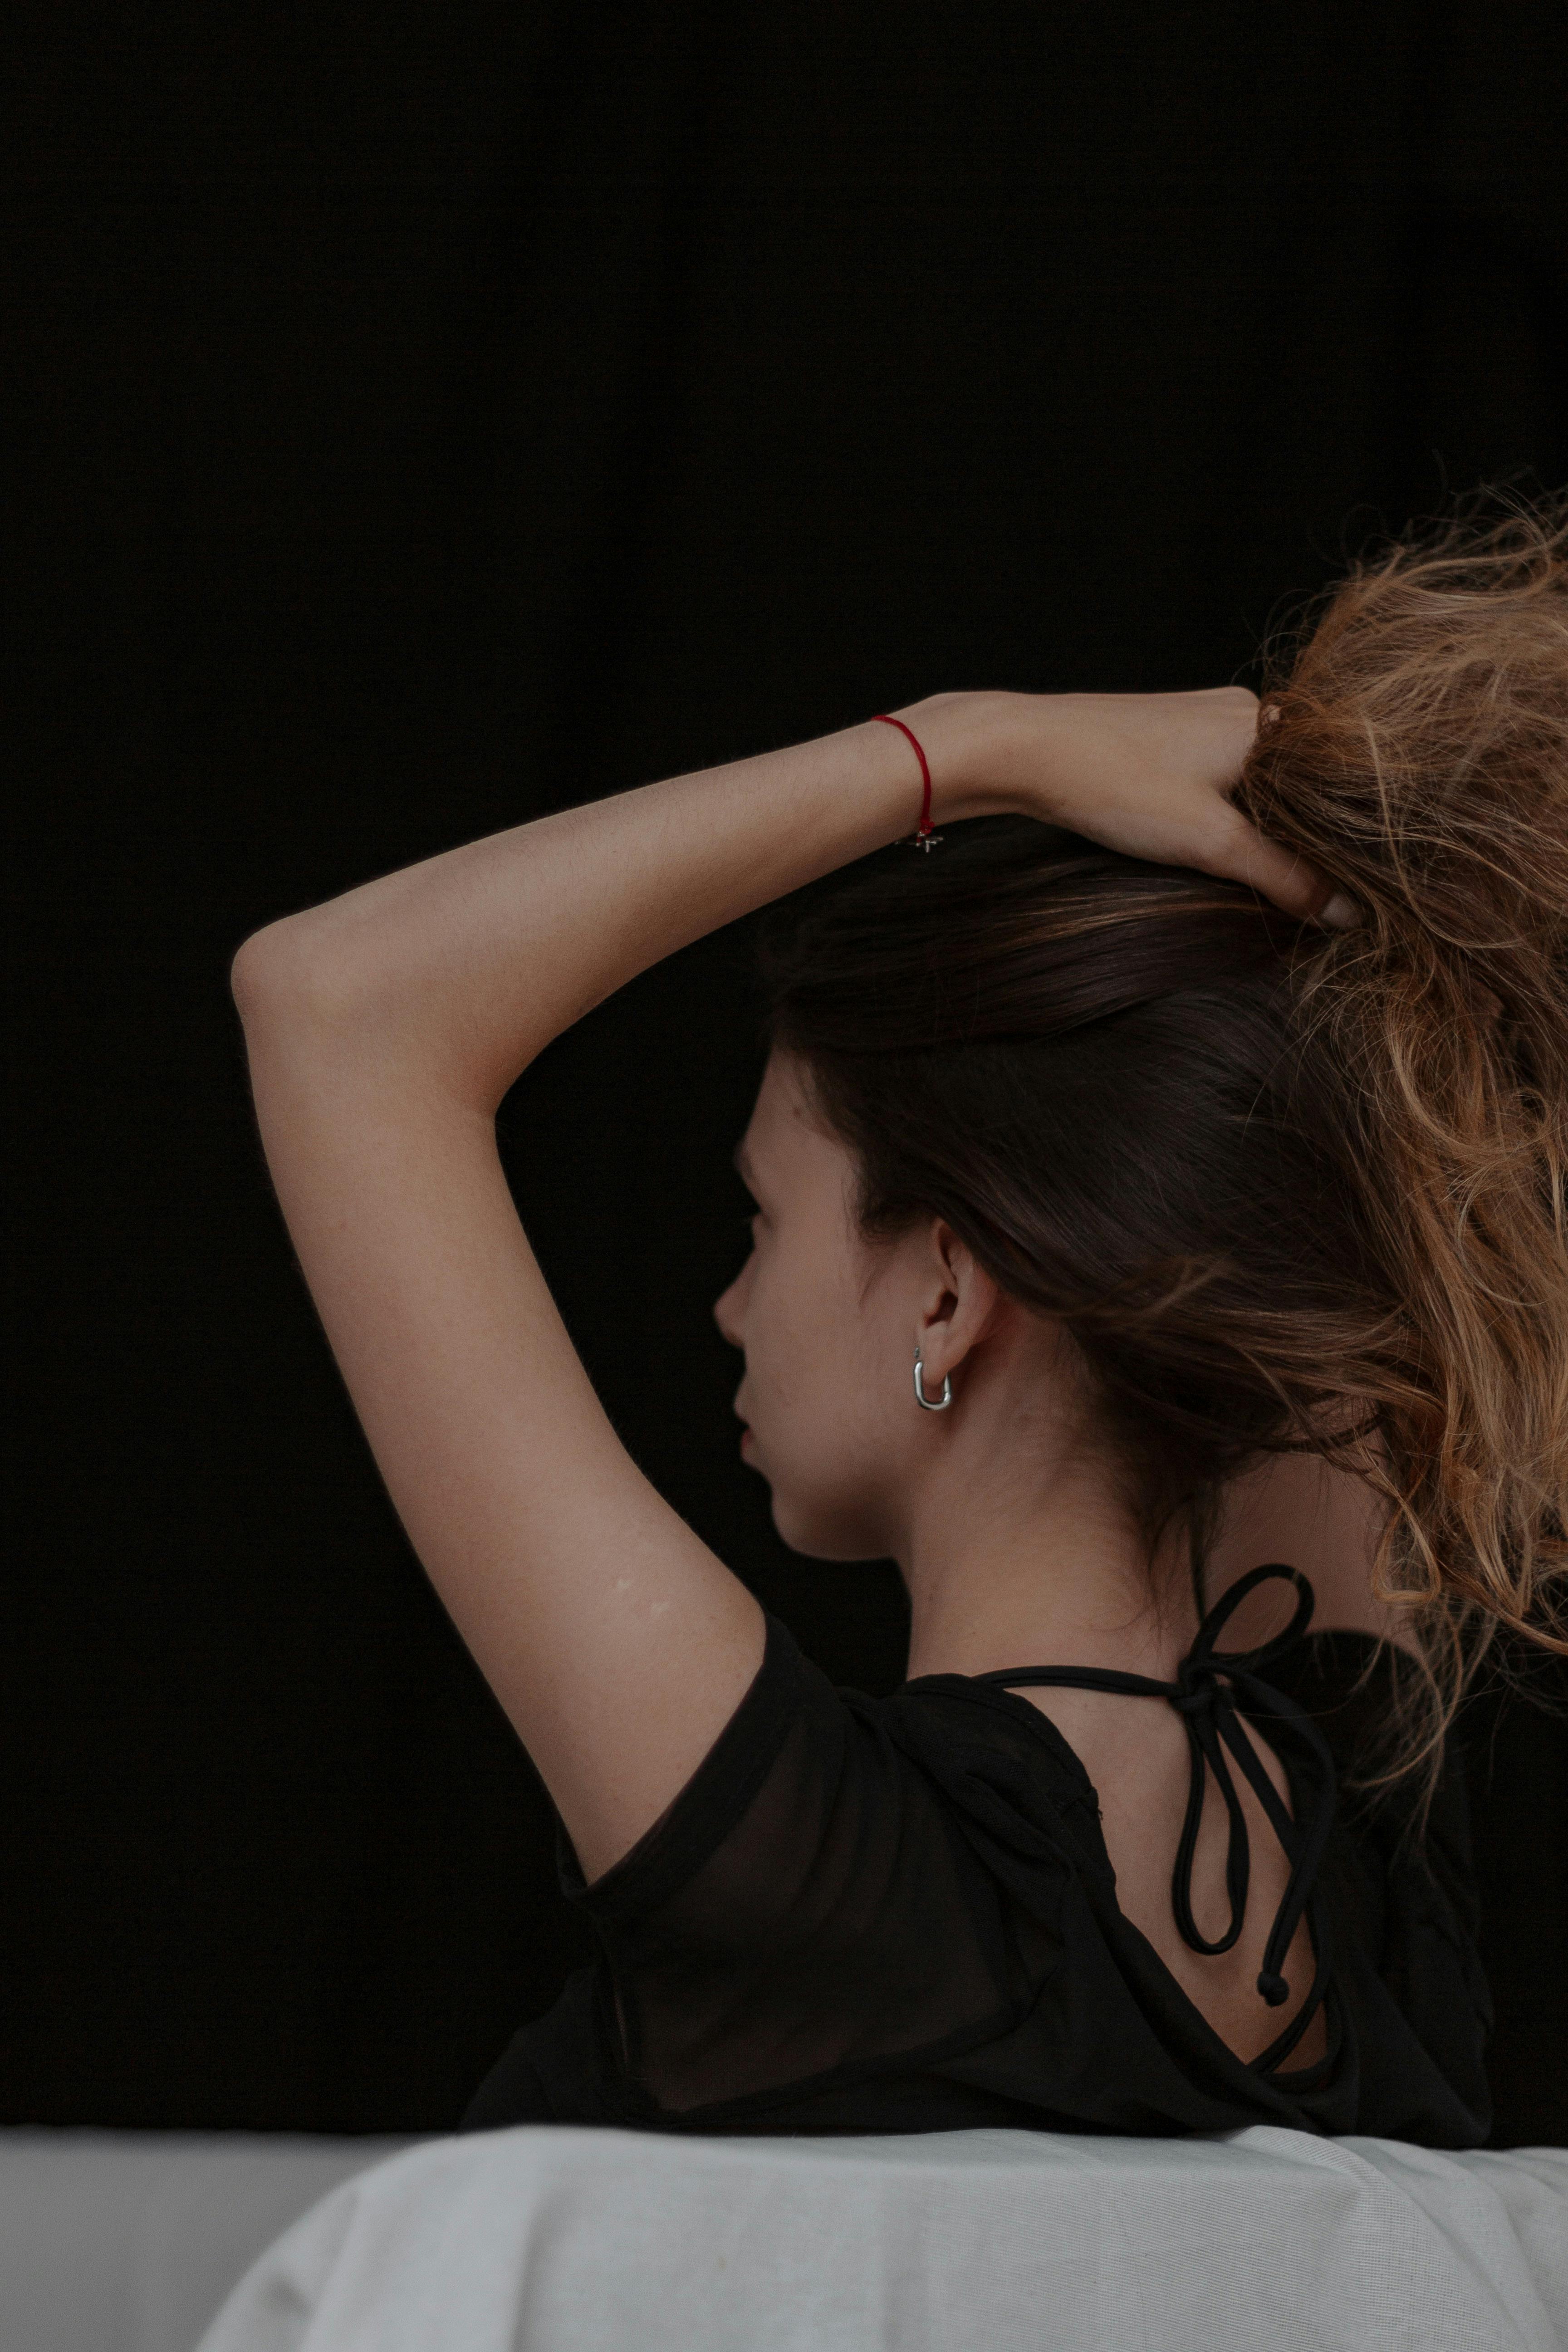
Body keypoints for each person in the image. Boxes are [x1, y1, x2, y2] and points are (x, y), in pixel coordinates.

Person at [231, 500, 1568, 2148]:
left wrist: (975, 747)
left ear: (946, 1282)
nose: (726, 1304)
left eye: (764, 1217)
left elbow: (339, 1009)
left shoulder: (820, 1881)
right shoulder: (1364, 1883)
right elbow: (1353, 1168)